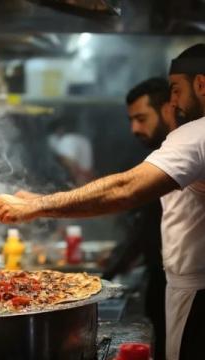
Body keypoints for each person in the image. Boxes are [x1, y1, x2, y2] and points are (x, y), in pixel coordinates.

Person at [0, 44, 205, 360]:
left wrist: (36, 207)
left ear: (201, 84)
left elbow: (126, 188)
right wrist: (41, 200)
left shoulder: (196, 134)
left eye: (176, 90)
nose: (173, 102)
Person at [103, 77, 175, 360]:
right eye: (131, 120)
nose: (135, 129)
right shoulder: (161, 155)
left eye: (141, 118)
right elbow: (147, 224)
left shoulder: (185, 154)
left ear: (167, 110)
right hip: (162, 278)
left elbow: (125, 195)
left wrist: (110, 271)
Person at [47, 120, 94, 186]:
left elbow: (69, 162)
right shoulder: (82, 139)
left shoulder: (67, 140)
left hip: (80, 180)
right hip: (86, 179)